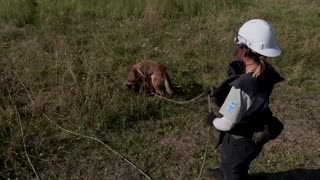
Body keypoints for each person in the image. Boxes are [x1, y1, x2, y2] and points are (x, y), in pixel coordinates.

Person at [207, 19, 284, 180]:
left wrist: (212, 120)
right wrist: (219, 91)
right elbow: (248, 100)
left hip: (240, 140)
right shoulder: (265, 72)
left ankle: (227, 173)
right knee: (233, 162)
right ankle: (223, 170)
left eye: (238, 44)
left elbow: (227, 123)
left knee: (234, 170)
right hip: (251, 136)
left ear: (244, 50)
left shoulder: (244, 85)